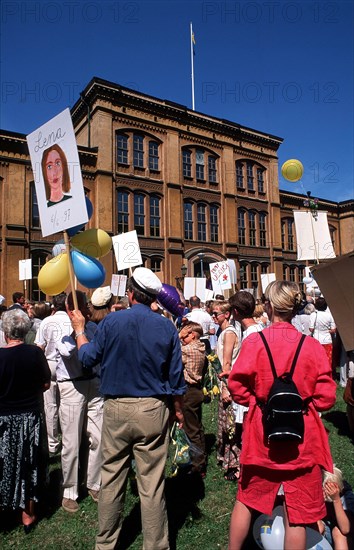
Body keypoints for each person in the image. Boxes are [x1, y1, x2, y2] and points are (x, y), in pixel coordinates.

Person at [69, 267, 185, 549]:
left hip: (117, 408)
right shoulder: (167, 326)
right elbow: (176, 378)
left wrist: (80, 331)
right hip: (152, 409)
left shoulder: (111, 322)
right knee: (152, 484)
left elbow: (88, 357)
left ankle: (105, 544)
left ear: (131, 294)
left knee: (111, 478)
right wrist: (178, 411)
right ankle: (156, 545)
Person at [228, 281, 337, 550]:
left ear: (269, 306)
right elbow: (326, 398)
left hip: (261, 434)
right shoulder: (311, 346)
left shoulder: (256, 341)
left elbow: (236, 386)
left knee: (246, 497)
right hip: (302, 438)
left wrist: (258, 402)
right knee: (297, 514)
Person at [0, 309, 50, 532]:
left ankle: (5, 507)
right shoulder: (35, 353)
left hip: (3, 418)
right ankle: (27, 513)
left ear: (5, 331)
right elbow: (46, 383)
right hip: (29, 416)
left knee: (3, 463)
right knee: (29, 464)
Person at [56, 291, 103, 513]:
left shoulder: (93, 327)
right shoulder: (62, 328)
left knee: (99, 436)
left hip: (94, 384)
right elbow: (67, 351)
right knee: (72, 441)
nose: (87, 310)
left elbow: (97, 352)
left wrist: (84, 330)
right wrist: (78, 331)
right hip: (72, 386)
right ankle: (69, 491)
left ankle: (94, 483)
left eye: (87, 306)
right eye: (83, 306)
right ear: (70, 309)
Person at [35, 293, 70, 456]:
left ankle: (52, 443)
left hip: (49, 363)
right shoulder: (71, 320)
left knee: (50, 406)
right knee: (66, 404)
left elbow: (39, 346)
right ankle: (68, 439)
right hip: (67, 364)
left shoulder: (46, 321)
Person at [213, 300, 241, 482]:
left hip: (229, 383)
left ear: (227, 314)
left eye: (217, 313)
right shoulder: (222, 332)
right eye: (213, 313)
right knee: (226, 424)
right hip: (224, 381)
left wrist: (225, 388)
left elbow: (227, 362)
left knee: (231, 425)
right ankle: (228, 459)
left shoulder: (229, 333)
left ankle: (235, 464)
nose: (213, 316)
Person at [179, 321, 207, 476]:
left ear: (193, 335)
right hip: (196, 390)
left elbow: (172, 351)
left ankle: (197, 465)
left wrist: (178, 335)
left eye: (186, 334)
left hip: (189, 391)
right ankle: (201, 457)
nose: (183, 337)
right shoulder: (200, 347)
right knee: (197, 426)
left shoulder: (188, 349)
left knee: (191, 429)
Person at [319, 466, 354, 549]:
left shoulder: (346, 498)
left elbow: (345, 529)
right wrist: (318, 501)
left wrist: (336, 499)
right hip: (326, 534)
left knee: (338, 532)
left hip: (347, 539)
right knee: (319, 526)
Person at [310, 297, 336, 377]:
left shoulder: (313, 315)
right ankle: (328, 376)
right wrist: (326, 331)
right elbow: (333, 330)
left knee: (316, 360)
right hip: (327, 340)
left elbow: (311, 329)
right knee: (328, 360)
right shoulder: (329, 315)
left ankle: (317, 376)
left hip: (316, 340)